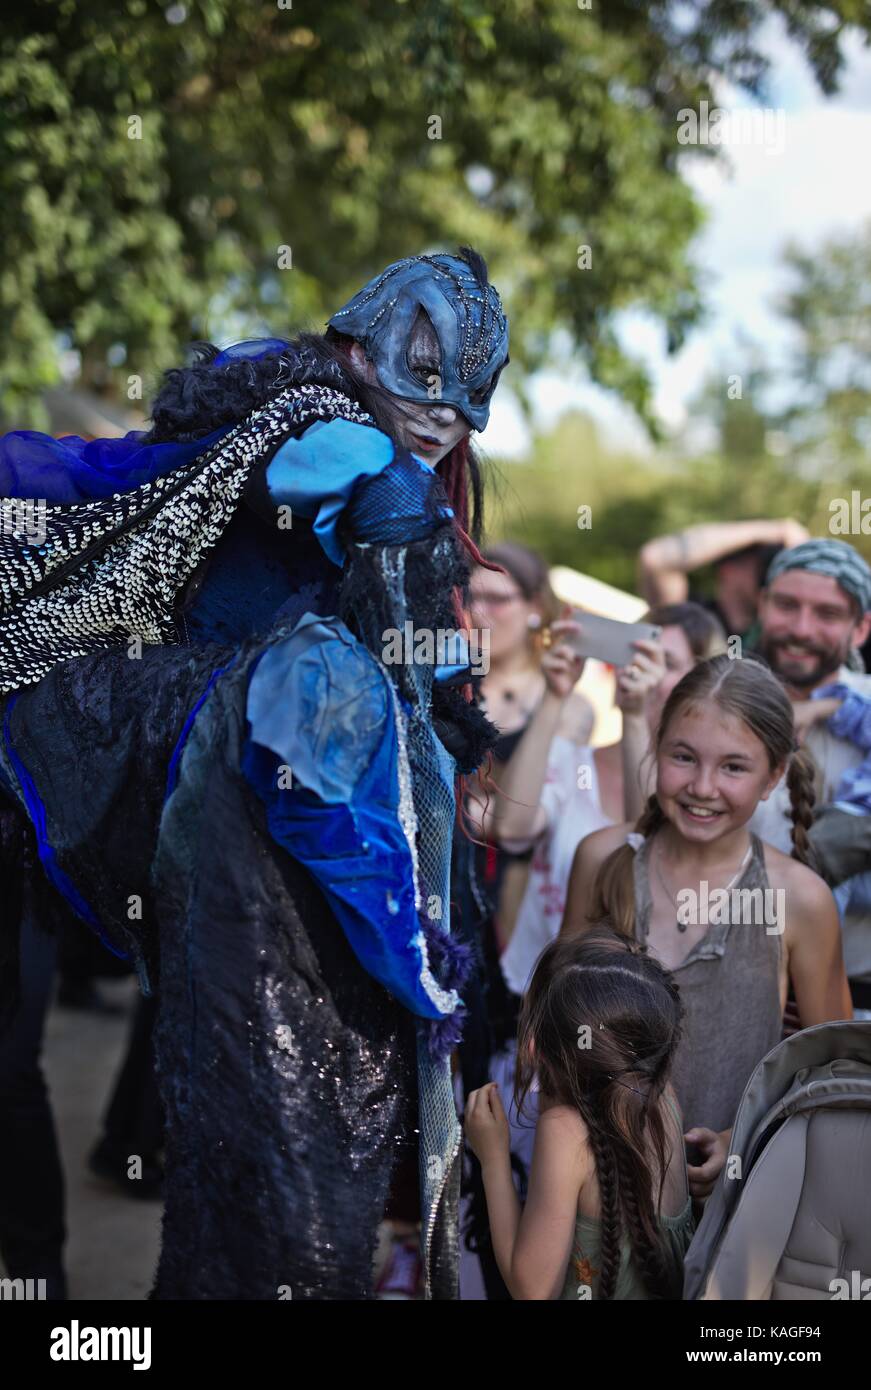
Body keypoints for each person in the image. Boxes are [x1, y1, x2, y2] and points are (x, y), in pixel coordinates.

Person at [0, 246, 509, 1300]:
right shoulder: (328, 444)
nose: (439, 421)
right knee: (274, 1194)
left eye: (463, 409)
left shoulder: (361, 473)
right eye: (421, 387)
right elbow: (108, 479)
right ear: (354, 350)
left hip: (239, 825)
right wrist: (417, 964)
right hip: (221, 812)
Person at [561, 654, 852, 1199]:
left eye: (733, 767)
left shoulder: (799, 900)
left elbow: (831, 1075)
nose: (702, 786)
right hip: (599, 1198)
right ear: (656, 748)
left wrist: (743, 1139)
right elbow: (558, 1029)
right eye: (683, 756)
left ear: (775, 776)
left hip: (732, 1211)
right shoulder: (602, 859)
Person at [489, 602, 726, 997]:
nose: (641, 671)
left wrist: (635, 717)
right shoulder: (571, 760)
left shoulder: (704, 789)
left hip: (649, 1007)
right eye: (634, 655)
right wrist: (554, 695)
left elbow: (648, 854)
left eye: (665, 662)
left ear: (703, 683)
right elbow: (511, 828)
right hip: (544, 1002)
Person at [464, 928, 693, 1300]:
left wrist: (492, 1160)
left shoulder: (565, 1133)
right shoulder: (663, 1098)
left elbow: (533, 1289)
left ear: (538, 1046)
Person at [749, 538, 871, 1011]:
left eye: (827, 613)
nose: (801, 629)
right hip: (739, 995)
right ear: (762, 604)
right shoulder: (720, 699)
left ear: (861, 628)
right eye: (786, 605)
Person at [638, 518, 808, 645]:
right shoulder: (689, 618)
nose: (770, 573)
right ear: (728, 567)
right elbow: (656, 558)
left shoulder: (772, 638)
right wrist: (774, 530)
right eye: (762, 563)